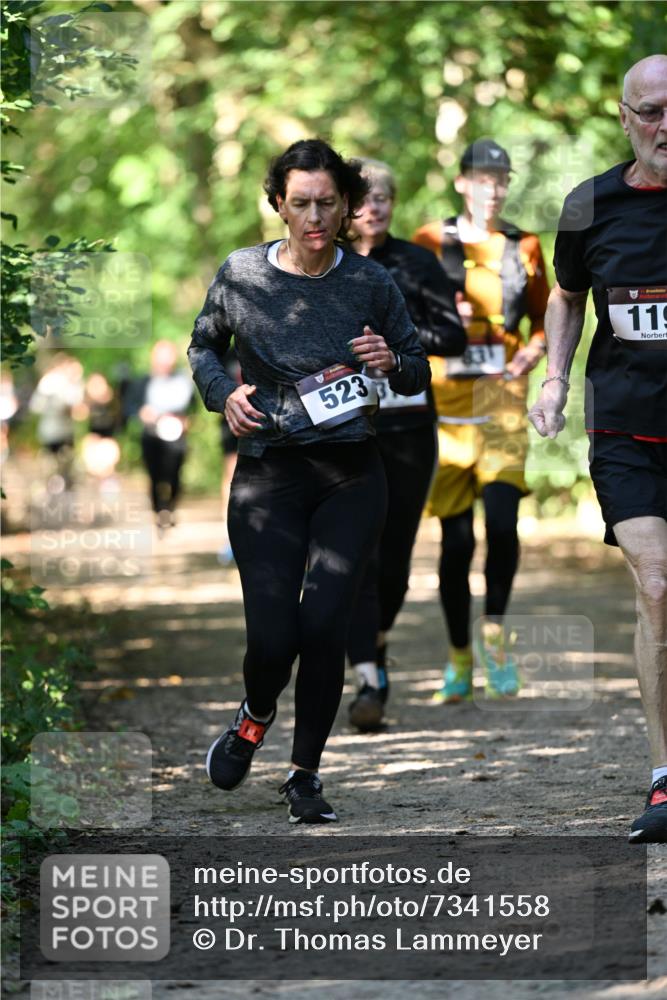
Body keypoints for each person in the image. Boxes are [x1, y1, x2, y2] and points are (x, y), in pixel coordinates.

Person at [187, 139, 430, 824]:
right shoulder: (241, 274)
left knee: (323, 624)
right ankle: (254, 715)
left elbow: (414, 366)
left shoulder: (369, 283)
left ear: (348, 206)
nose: (315, 217)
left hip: (352, 474)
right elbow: (204, 345)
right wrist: (220, 394)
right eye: (301, 204)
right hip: (269, 477)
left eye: (328, 203)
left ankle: (304, 776)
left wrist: (391, 360)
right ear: (278, 204)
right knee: (272, 638)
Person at [529, 55, 667, 844]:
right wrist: (552, 378)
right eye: (648, 112)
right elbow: (567, 295)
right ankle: (661, 777)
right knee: (656, 584)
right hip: (623, 426)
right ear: (623, 118)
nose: (662, 127)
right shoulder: (589, 205)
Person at [413, 140, 550, 702]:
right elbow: (403, 310)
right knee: (455, 543)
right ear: (462, 183)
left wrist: (532, 355)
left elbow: (547, 319)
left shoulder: (526, 246)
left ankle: (495, 640)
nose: (492, 189)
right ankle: (458, 658)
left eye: (501, 179)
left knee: (502, 523)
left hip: (502, 406)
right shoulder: (427, 241)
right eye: (482, 178)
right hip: (445, 411)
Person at [344, 158, 466, 730]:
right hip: (345, 431)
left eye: (384, 198)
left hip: (409, 429)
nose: (374, 208)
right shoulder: (327, 265)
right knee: (354, 555)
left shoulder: (417, 263)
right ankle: (368, 674)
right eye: (364, 199)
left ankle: (378, 642)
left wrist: (397, 346)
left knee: (393, 558)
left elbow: (454, 335)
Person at [137, 340, 194, 535]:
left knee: (174, 474)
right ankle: (159, 511)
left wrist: (187, 420)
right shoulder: (144, 381)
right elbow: (130, 406)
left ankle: (169, 507)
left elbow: (191, 406)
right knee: (154, 476)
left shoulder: (183, 380)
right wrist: (143, 413)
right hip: (151, 435)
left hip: (176, 435)